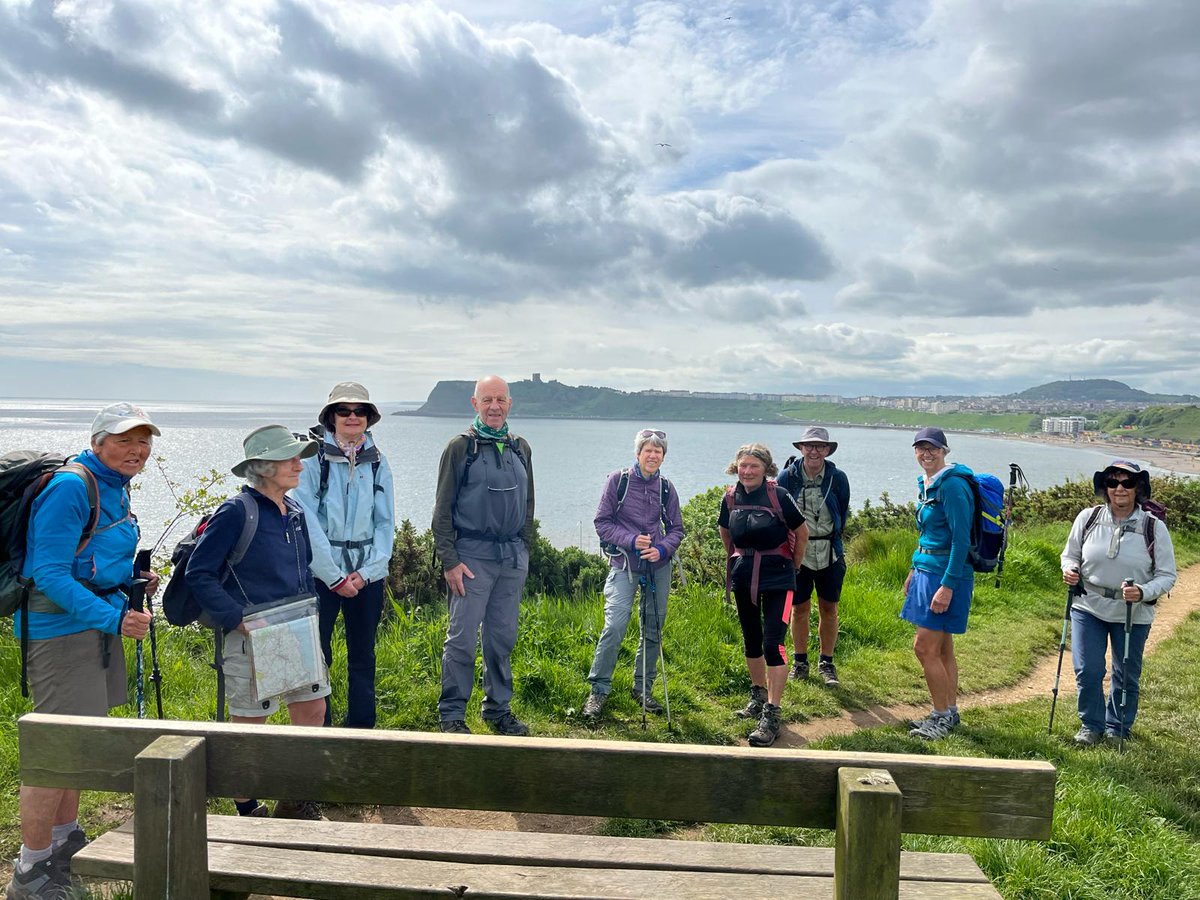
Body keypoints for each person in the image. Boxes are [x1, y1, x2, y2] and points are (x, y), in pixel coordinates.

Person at [8, 403, 157, 900]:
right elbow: (47, 572)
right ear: (97, 443)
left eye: (143, 440)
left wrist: (128, 582)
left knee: (77, 747)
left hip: (91, 626)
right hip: (59, 632)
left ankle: (63, 844)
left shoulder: (113, 484)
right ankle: (30, 872)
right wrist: (115, 617)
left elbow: (89, 558)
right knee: (54, 751)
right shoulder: (73, 487)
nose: (136, 450)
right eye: (124, 440)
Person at [185, 425, 330, 820]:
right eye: (290, 458)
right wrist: (237, 620)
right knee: (252, 725)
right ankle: (248, 809)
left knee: (312, 710)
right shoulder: (236, 512)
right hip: (254, 636)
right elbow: (198, 574)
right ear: (263, 467)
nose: (300, 464)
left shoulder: (294, 510)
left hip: (297, 629)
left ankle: (295, 800)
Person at [432, 376, 535, 736]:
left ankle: (498, 710)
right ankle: (452, 714)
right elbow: (441, 512)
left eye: (500, 400)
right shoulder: (460, 448)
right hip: (471, 557)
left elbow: (528, 504)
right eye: (487, 399)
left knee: (502, 637)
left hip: (511, 558)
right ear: (474, 404)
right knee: (461, 638)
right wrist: (449, 560)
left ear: (510, 403)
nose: (494, 406)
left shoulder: (521, 447)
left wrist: (525, 549)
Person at [292, 383, 395, 729]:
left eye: (360, 411)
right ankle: (321, 728)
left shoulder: (377, 461)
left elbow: (385, 523)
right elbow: (305, 517)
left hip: (366, 575)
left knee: (363, 655)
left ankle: (362, 728)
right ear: (330, 416)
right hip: (321, 577)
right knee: (319, 655)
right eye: (344, 411)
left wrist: (368, 572)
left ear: (368, 418)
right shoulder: (313, 458)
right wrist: (332, 574)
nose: (352, 417)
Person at [1060, 460, 1176, 746]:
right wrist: (1070, 569)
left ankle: (1118, 728)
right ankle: (1091, 725)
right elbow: (1069, 554)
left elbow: (1167, 575)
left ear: (1139, 488)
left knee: (1126, 673)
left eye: (1127, 483)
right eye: (1112, 483)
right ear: (1105, 488)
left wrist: (1144, 592)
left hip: (1132, 612)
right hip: (1088, 605)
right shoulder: (1088, 518)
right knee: (1088, 669)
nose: (1119, 488)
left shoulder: (1153, 527)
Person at [582, 428, 685, 720]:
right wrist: (630, 540)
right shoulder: (619, 481)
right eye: (647, 450)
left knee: (653, 628)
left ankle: (643, 688)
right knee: (614, 626)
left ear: (663, 456)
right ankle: (598, 691)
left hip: (657, 567)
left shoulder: (666, 487)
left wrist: (662, 550)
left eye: (658, 451)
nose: (653, 455)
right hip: (624, 565)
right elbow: (602, 522)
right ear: (638, 453)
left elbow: (677, 528)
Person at [718, 443, 808, 748]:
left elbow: (802, 531)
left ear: (765, 468)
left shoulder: (779, 495)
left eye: (754, 466)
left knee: (773, 644)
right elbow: (725, 531)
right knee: (751, 640)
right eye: (743, 465)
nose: (747, 471)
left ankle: (772, 713)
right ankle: (757, 695)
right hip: (744, 575)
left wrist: (792, 566)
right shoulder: (730, 497)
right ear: (736, 467)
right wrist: (736, 558)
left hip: (778, 578)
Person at [902, 427, 974, 741]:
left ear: (944, 450)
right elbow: (927, 535)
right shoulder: (929, 483)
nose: (926, 454)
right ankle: (950, 711)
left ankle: (940, 716)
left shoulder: (954, 485)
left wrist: (947, 586)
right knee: (943, 649)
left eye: (932, 448)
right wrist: (913, 569)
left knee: (924, 648)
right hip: (926, 570)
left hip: (944, 575)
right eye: (920, 448)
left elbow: (961, 541)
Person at [777, 425, 851, 687]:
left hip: (830, 552)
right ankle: (800, 662)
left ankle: (827, 662)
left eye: (820, 446)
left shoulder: (838, 478)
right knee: (800, 609)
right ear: (801, 448)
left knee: (829, 608)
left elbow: (842, 509)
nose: (815, 451)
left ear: (828, 450)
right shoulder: (787, 477)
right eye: (810, 446)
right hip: (799, 553)